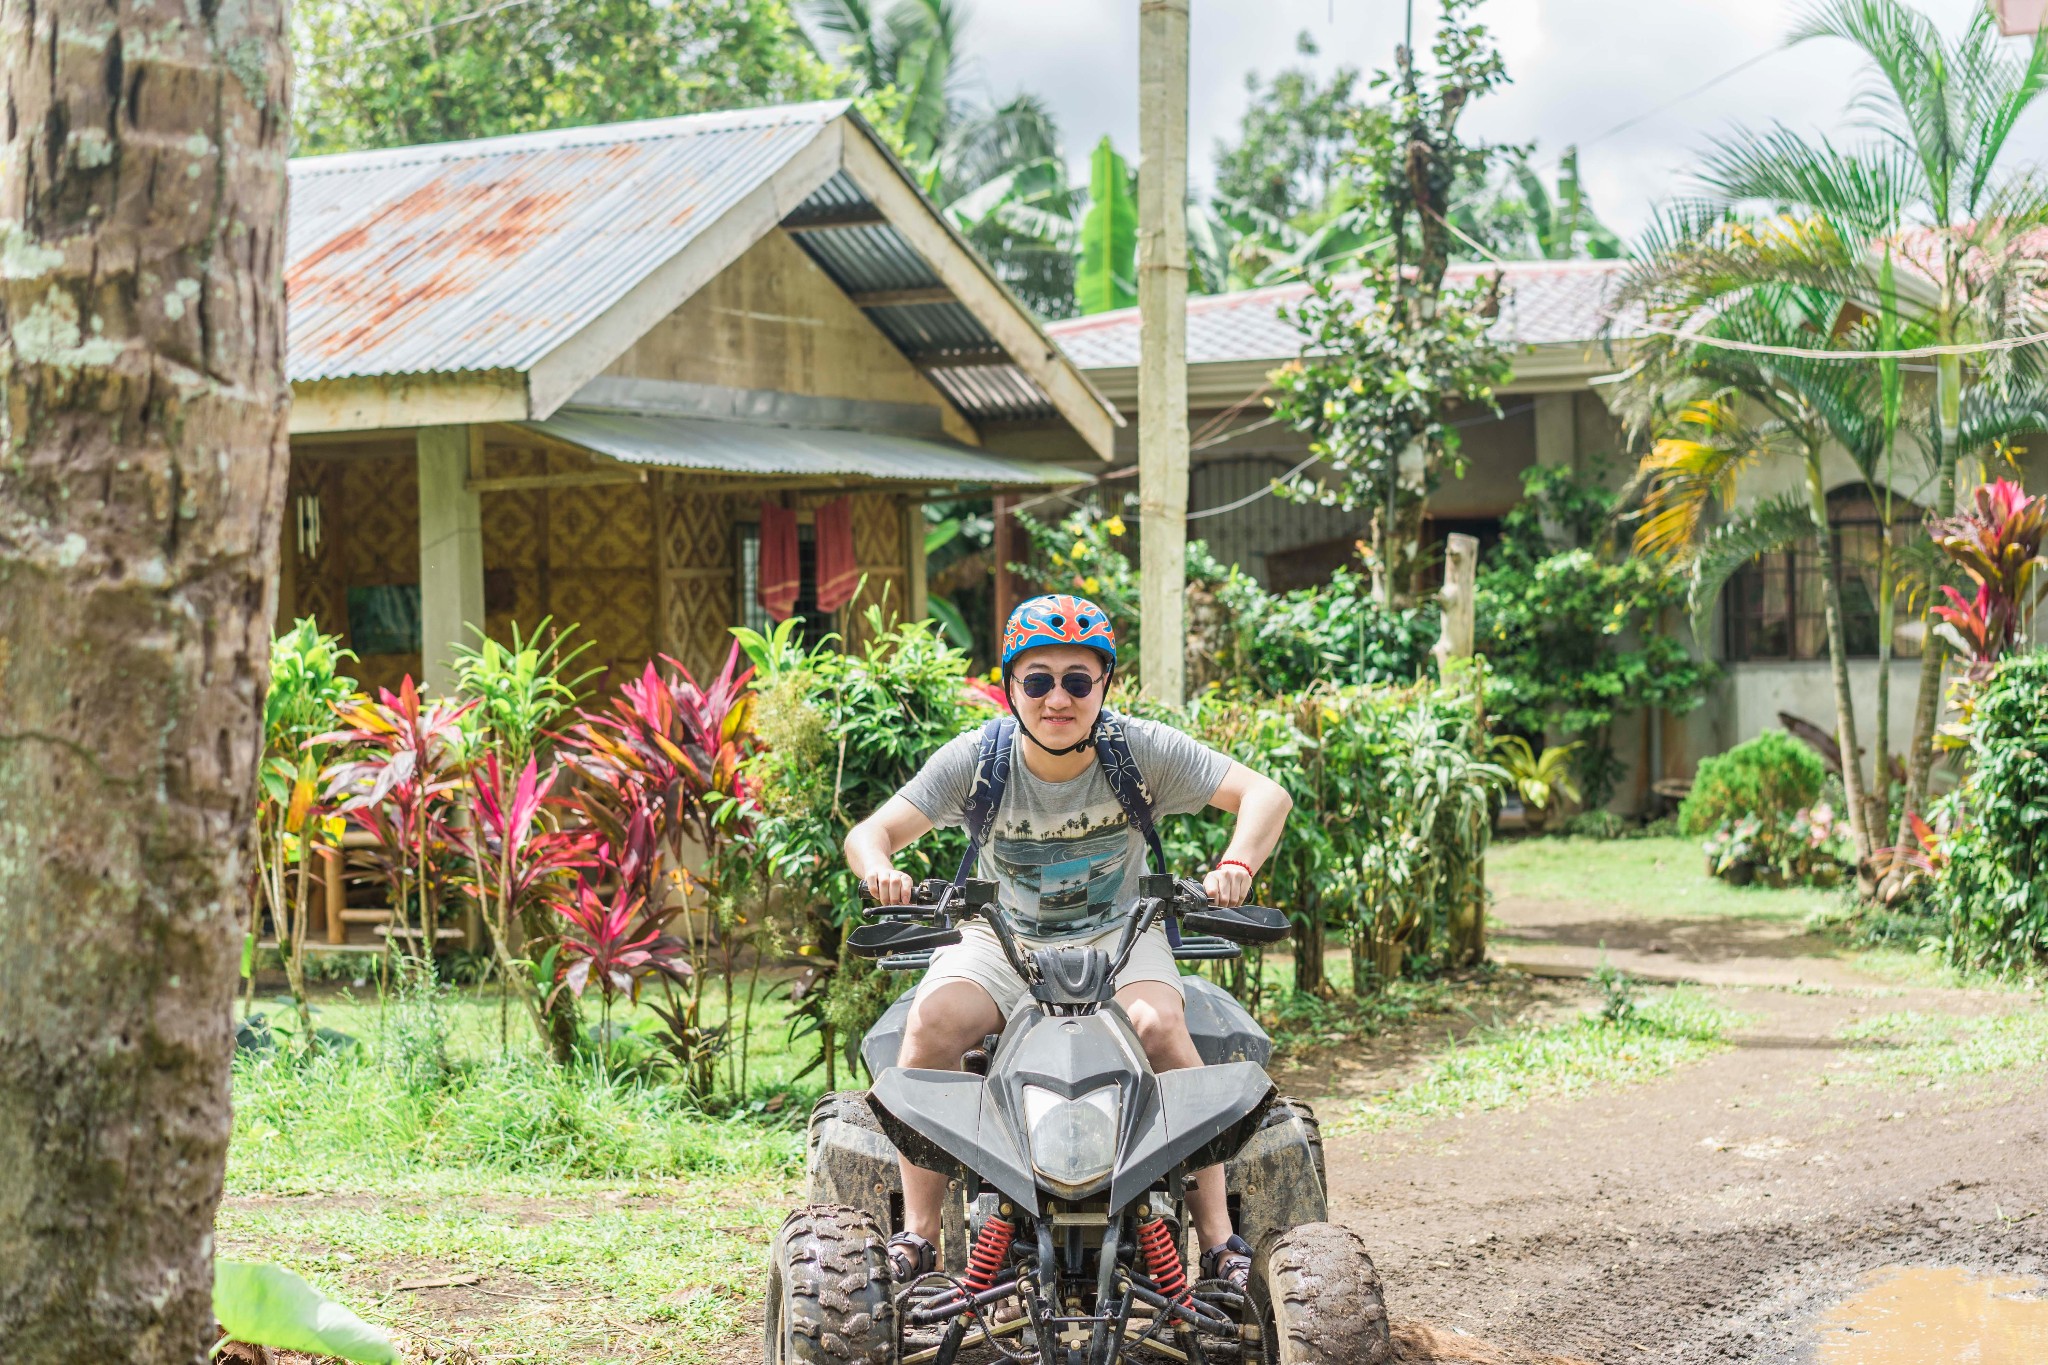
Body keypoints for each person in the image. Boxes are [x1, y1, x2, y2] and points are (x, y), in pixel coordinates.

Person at [842, 593, 1294, 1292]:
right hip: (1003, 939)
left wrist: (1236, 866)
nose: (1060, 697)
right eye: (1040, 679)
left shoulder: (1138, 750)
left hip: (1120, 936)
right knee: (930, 1023)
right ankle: (922, 1234)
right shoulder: (978, 759)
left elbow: (1265, 795)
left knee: (1160, 1024)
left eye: (1079, 680)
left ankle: (1216, 1240)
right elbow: (869, 833)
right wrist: (881, 869)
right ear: (1011, 687)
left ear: (1104, 686)